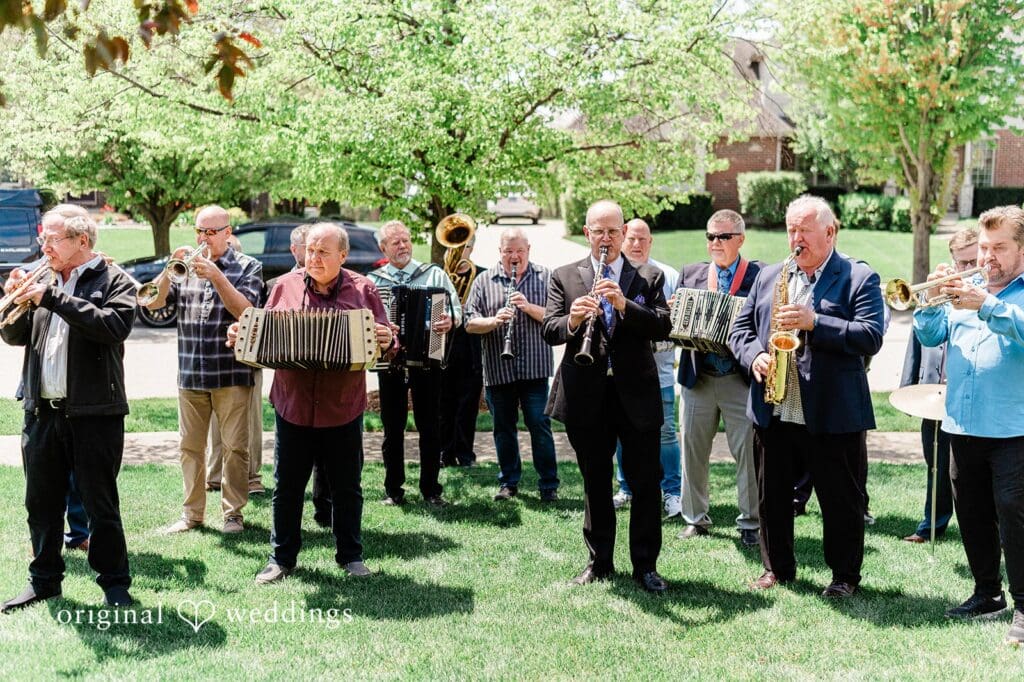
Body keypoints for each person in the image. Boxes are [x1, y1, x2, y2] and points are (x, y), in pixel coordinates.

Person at [729, 195, 884, 598]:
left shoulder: (858, 277)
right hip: (775, 406)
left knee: (840, 501)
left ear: (830, 232)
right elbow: (740, 331)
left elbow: (871, 336)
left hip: (832, 411)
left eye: (804, 230)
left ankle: (845, 577)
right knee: (772, 496)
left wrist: (816, 322)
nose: (795, 239)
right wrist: (756, 356)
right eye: (791, 229)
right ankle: (777, 568)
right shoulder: (770, 276)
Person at [234, 223, 395, 583]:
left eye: (323, 251)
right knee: (286, 487)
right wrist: (240, 336)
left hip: (342, 406)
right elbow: (261, 337)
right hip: (293, 404)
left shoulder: (364, 288)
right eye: (310, 251)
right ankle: (281, 558)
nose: (314, 258)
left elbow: (386, 342)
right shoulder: (283, 288)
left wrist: (386, 339)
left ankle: (351, 556)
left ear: (343, 255)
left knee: (347, 487)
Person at [0, 210, 136, 611]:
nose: (45, 247)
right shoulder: (42, 281)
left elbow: (114, 327)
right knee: (40, 504)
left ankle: (114, 582)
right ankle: (43, 581)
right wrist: (19, 302)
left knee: (100, 503)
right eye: (44, 239)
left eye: (54, 239)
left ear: (82, 241)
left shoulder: (115, 281)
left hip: (95, 413)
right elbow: (12, 334)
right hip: (43, 412)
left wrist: (52, 297)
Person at [542, 200, 671, 592]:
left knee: (646, 483)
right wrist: (575, 319)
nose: (606, 238)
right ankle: (599, 562)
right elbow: (550, 328)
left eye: (613, 231)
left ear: (624, 233)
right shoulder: (564, 276)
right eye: (599, 231)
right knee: (595, 482)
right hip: (587, 394)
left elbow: (663, 326)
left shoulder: (649, 275)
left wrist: (622, 303)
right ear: (587, 233)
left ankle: (646, 567)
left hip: (636, 394)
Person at [913, 206, 1024, 645]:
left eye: (999, 248)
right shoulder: (967, 286)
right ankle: (987, 593)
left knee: (1015, 516)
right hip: (963, 422)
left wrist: (988, 305)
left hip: (1013, 428)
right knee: (971, 513)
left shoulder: (1001, 295)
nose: (988, 256)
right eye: (983, 247)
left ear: (1021, 249)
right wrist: (930, 298)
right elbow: (928, 335)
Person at [146, 205, 263, 534]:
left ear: (228, 233)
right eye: (200, 231)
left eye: (211, 232)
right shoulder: (186, 268)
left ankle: (232, 515)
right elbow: (152, 302)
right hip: (191, 374)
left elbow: (247, 312)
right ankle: (191, 516)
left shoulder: (248, 267)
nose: (204, 238)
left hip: (231, 374)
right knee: (190, 449)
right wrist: (169, 269)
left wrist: (217, 276)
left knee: (235, 449)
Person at [674, 210, 761, 546]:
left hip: (739, 379)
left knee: (748, 455)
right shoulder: (691, 273)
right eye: (710, 236)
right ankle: (695, 518)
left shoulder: (758, 276)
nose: (715, 243)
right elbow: (674, 323)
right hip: (698, 377)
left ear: (740, 238)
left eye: (723, 237)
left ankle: (750, 523)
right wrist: (676, 312)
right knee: (692, 452)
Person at [367, 220, 460, 507]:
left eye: (405, 240)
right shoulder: (373, 281)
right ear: (384, 248)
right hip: (390, 361)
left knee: (429, 425)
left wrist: (451, 320)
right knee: (392, 427)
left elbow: (456, 309)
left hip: (427, 357)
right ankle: (393, 490)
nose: (403, 246)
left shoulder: (433, 274)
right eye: (395, 242)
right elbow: (364, 319)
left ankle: (431, 489)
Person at [465, 227, 559, 501]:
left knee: (539, 426)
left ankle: (549, 484)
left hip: (534, 368)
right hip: (498, 369)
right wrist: (494, 321)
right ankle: (508, 482)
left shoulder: (545, 277)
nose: (514, 257)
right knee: (503, 430)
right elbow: (469, 322)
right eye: (509, 252)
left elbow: (556, 318)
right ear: (500, 252)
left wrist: (528, 307)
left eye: (519, 251)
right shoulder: (483, 281)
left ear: (528, 249)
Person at [899, 227, 978, 544]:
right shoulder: (941, 296)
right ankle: (932, 525)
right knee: (937, 465)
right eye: (960, 262)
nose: (966, 269)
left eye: (973, 260)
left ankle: (993, 529)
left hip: (972, 395)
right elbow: (918, 343)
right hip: (932, 395)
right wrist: (909, 387)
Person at [612, 218, 682, 518]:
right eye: (631, 239)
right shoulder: (614, 273)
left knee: (666, 433)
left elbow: (674, 325)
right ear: (622, 240)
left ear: (651, 241)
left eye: (643, 239)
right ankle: (626, 487)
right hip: (624, 374)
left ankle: (672, 493)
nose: (637, 244)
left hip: (660, 372)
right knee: (621, 434)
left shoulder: (668, 274)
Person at [207, 233, 267, 496]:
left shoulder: (249, 271)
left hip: (245, 361)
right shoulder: (202, 276)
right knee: (215, 425)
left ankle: (251, 476)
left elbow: (248, 311)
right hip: (212, 363)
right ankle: (215, 474)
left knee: (249, 423)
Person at [439, 235, 485, 468]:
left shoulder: (482, 274)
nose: (459, 251)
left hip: (472, 347)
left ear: (472, 248)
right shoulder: (438, 275)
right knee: (443, 402)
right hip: (443, 346)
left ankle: (465, 453)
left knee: (468, 403)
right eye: (454, 246)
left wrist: (469, 310)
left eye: (464, 246)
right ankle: (444, 452)